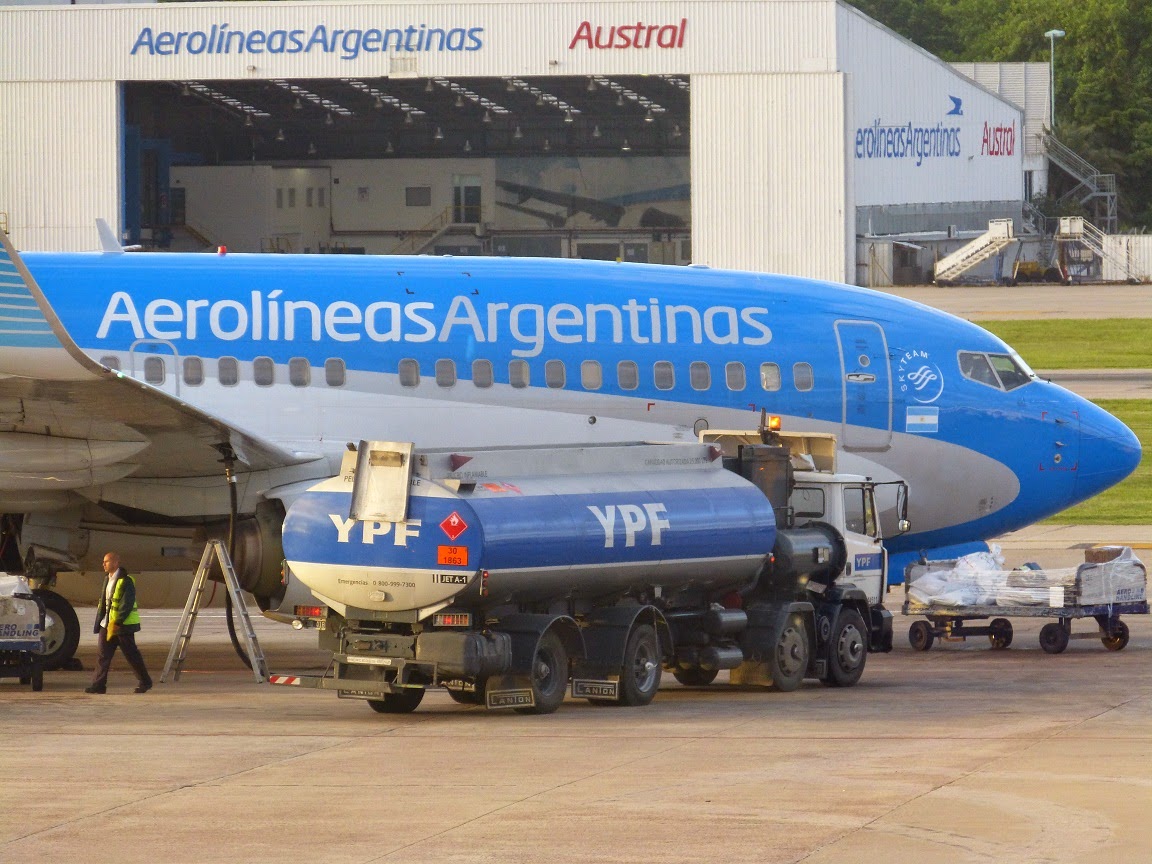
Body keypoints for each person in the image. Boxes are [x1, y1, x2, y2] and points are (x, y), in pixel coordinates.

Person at [85, 552, 153, 694]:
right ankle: (98, 685)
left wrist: (118, 621)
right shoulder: (107, 579)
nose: (103, 564)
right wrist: (101, 621)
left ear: (116, 563)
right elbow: (105, 603)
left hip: (122, 626)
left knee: (131, 655)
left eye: (107, 561)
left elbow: (126, 604)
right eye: (103, 561)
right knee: (103, 655)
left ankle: (145, 681)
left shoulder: (126, 581)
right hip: (107, 624)